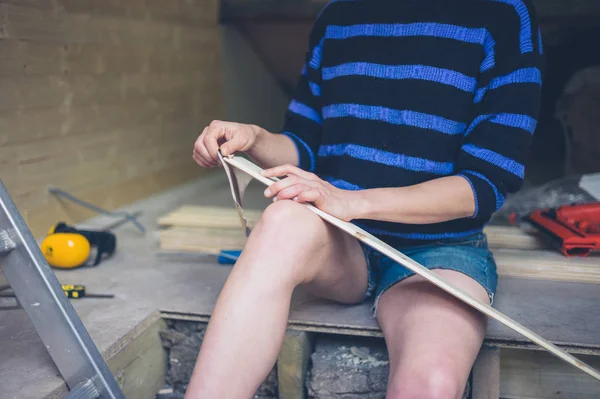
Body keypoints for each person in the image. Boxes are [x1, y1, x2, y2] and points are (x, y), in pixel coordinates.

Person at [188, 0, 544, 397]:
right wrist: (254, 138)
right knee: (281, 222)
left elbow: (485, 183)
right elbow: (306, 146)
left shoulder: (502, 15)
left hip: (439, 250)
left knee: (433, 380)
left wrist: (354, 201)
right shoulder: (337, 16)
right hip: (343, 238)